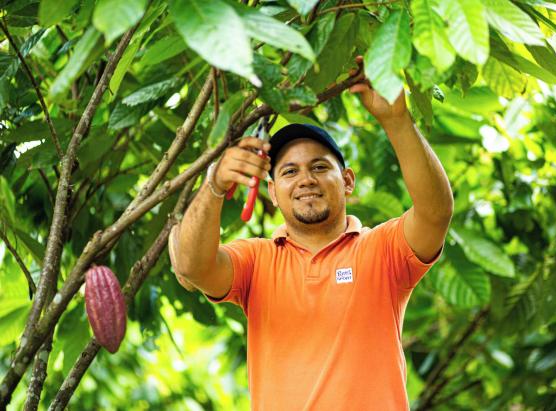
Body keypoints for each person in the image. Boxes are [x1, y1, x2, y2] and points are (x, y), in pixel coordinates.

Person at [168, 59, 454, 410]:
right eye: (289, 171)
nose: (306, 179)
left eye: (319, 167)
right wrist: (215, 183)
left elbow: (435, 213)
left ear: (347, 181)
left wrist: (395, 119)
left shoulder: (381, 250)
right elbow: (194, 267)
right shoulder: (256, 260)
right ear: (273, 194)